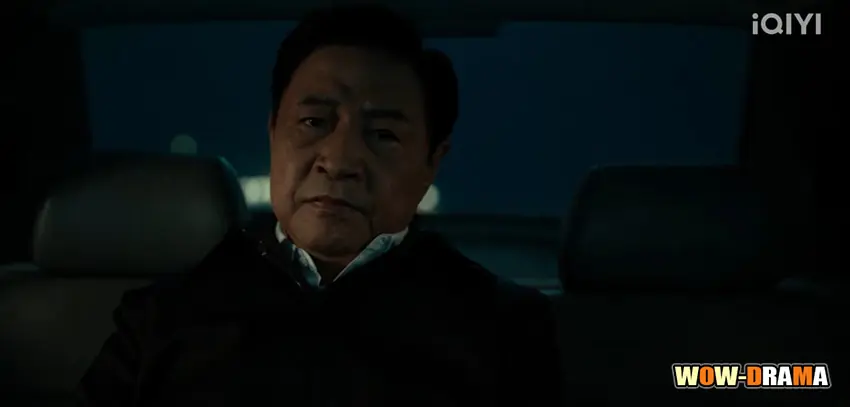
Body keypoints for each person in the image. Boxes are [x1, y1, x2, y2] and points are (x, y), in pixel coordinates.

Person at [76, 5, 561, 406]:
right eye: (313, 122)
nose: (340, 159)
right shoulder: (161, 319)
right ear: (273, 133)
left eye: (383, 134)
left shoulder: (504, 329)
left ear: (431, 162)